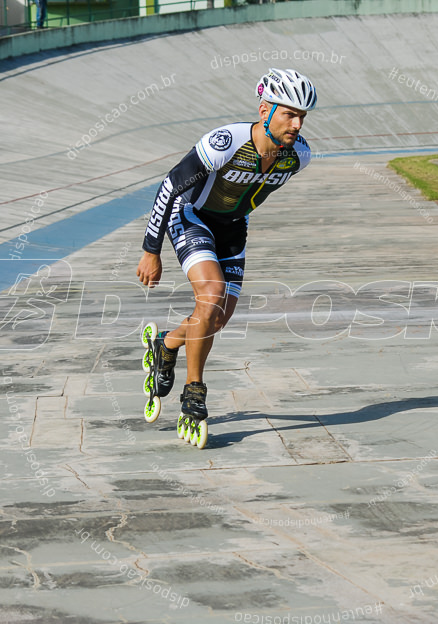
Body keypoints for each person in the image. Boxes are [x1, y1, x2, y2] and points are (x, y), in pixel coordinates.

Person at [135, 68, 316, 433]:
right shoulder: (225, 143)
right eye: (289, 114)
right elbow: (169, 187)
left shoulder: (298, 157)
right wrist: (150, 250)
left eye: (302, 117)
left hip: (233, 228)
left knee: (215, 318)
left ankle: (166, 346)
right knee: (212, 294)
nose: (297, 125)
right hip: (190, 216)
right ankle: (194, 390)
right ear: (265, 110)